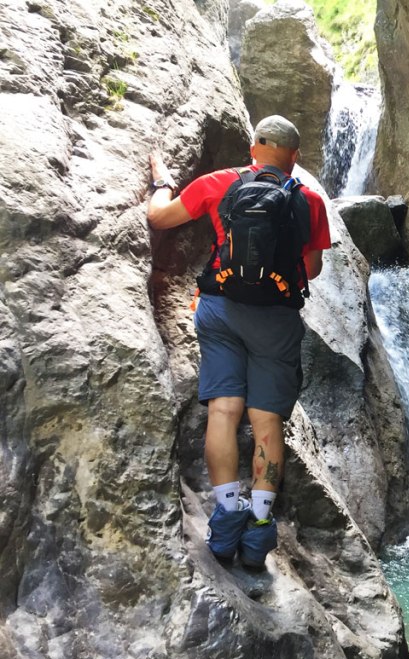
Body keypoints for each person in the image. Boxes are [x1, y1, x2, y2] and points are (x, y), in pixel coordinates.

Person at [147, 115, 330, 570]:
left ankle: (227, 514)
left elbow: (160, 217)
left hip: (219, 310)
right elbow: (311, 271)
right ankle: (260, 530)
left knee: (223, 412)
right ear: (295, 157)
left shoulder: (220, 183)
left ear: (254, 147)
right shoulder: (308, 200)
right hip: (276, 320)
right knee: (267, 423)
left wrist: (163, 182)